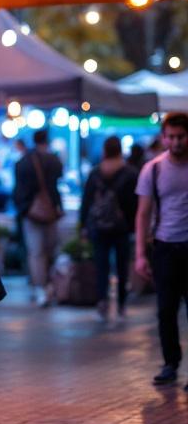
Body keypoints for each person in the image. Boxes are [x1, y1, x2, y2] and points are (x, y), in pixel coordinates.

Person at [134, 112, 188, 387]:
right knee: (165, 310)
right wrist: (141, 255)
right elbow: (143, 214)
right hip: (165, 247)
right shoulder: (153, 169)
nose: (176, 142)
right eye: (171, 137)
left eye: (181, 136)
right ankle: (170, 363)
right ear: (163, 137)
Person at [80, 136, 138, 320]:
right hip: (122, 228)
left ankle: (102, 301)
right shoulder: (130, 173)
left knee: (101, 264)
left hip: (99, 227)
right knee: (122, 266)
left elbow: (87, 201)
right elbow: (135, 203)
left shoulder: (96, 172)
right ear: (120, 150)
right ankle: (121, 304)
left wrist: (83, 225)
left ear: (105, 150)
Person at [14, 129, 64, 306]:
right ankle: (48, 285)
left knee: (36, 252)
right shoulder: (54, 159)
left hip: (31, 212)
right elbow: (58, 181)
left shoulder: (23, 161)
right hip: (51, 211)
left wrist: (24, 208)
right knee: (51, 249)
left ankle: (40, 288)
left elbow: (18, 189)